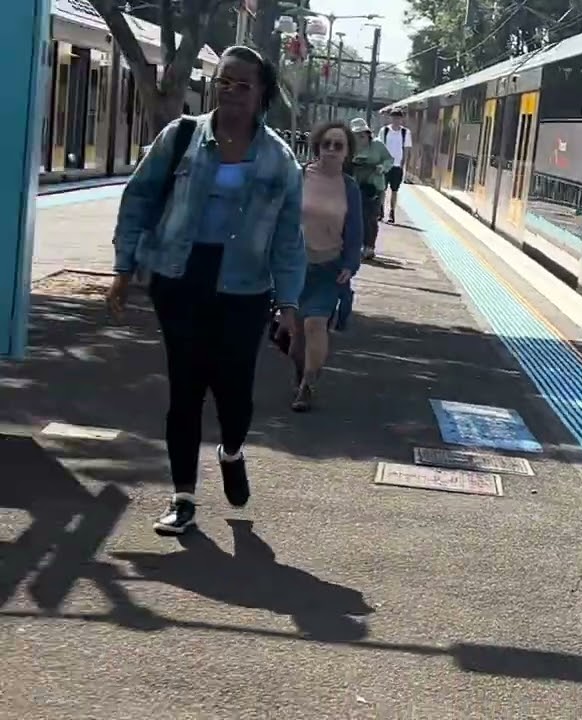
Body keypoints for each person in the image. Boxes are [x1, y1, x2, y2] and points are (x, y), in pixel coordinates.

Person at [106, 45, 306, 537]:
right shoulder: (181, 137)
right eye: (224, 82)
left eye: (243, 85)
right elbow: (140, 198)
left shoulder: (279, 160)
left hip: (245, 286)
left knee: (234, 391)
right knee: (186, 387)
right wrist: (123, 268)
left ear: (262, 94)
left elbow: (287, 239)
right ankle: (183, 498)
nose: (231, 92)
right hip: (180, 275)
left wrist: (290, 304)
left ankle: (232, 450)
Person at [288, 120, 364, 412]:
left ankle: (307, 386)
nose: (331, 150)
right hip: (294, 267)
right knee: (296, 336)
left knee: (315, 324)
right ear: (317, 146)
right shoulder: (299, 177)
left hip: (329, 269)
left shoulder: (350, 187)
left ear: (347, 152)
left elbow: (355, 229)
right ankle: (301, 370)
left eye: (338, 145)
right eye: (326, 144)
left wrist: (350, 263)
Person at [348, 117, 393, 260]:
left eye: (362, 134)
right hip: (355, 184)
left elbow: (389, 160)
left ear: (368, 134)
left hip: (374, 186)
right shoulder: (350, 147)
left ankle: (369, 247)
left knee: (370, 217)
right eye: (356, 135)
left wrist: (382, 167)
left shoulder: (378, 145)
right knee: (355, 216)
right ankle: (356, 245)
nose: (360, 138)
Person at [379, 109, 412, 224]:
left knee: (394, 190)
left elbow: (406, 150)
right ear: (391, 118)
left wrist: (404, 165)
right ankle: (381, 210)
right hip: (385, 164)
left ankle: (391, 212)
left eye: (398, 118)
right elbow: (380, 147)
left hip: (397, 166)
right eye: (394, 117)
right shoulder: (384, 131)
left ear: (401, 119)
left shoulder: (405, 133)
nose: (396, 120)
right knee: (382, 189)